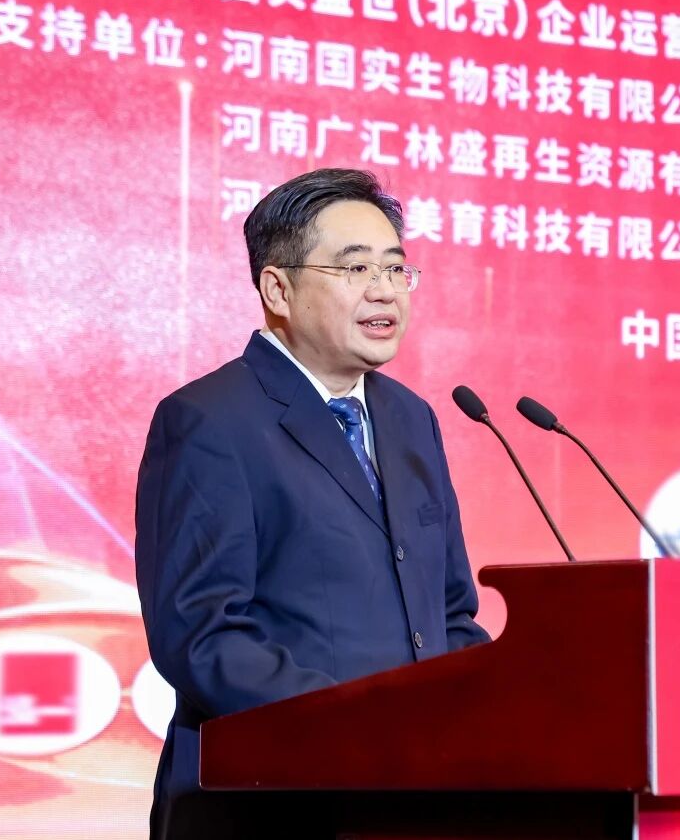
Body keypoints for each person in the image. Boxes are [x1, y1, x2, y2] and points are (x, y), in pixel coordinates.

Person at [134, 168, 490, 839]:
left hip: (412, 803)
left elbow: (448, 615)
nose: (384, 289)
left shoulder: (411, 419)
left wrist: (501, 703)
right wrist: (359, 725)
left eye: (395, 268)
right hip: (269, 804)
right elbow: (201, 636)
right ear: (278, 289)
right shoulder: (210, 420)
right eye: (355, 268)